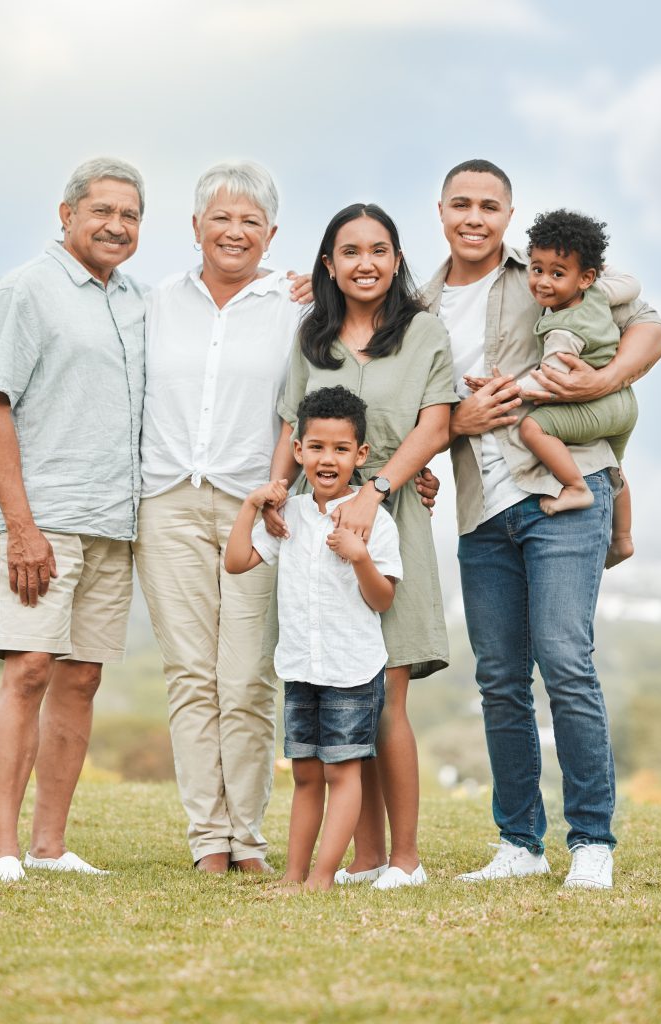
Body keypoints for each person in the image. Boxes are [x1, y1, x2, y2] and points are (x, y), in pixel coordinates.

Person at [423, 159, 661, 889]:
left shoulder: (545, 271)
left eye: (488, 205)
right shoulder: (419, 301)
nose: (473, 216)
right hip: (482, 510)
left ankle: (590, 839)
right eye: (460, 203)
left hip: (566, 489)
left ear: (506, 214)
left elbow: (650, 328)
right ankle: (518, 844)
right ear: (440, 212)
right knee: (499, 679)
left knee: (565, 660)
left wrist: (604, 378)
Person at [268, 203, 455, 889]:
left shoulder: (423, 332)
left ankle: (403, 857)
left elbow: (434, 426)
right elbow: (292, 426)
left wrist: (374, 491)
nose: (365, 263)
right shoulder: (310, 336)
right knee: (345, 689)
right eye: (350, 251)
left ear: (398, 260)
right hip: (316, 532)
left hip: (389, 518)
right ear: (328, 265)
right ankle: (366, 856)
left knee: (388, 692)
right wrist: (272, 495)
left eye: (379, 250)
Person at [131, 161, 308, 874]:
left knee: (245, 678)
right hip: (166, 502)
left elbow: (302, 407)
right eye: (221, 218)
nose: (235, 232)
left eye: (250, 221)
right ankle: (209, 839)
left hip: (255, 508)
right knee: (190, 676)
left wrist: (276, 483)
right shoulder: (154, 302)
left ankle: (248, 837)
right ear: (196, 226)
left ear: (271, 234)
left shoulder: (295, 308)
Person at [0, 157, 146, 882]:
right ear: (66, 214)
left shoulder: (135, 298)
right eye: (101, 211)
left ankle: (50, 845)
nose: (116, 225)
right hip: (44, 521)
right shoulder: (26, 290)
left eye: (130, 216)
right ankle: (4, 849)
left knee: (80, 680)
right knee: (29, 671)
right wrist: (21, 526)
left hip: (115, 520)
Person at [226, 386, 402, 891]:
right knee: (305, 775)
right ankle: (294, 874)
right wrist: (251, 506)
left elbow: (382, 600)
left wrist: (360, 556)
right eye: (317, 447)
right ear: (298, 450)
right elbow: (236, 562)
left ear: (360, 455)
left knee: (343, 774)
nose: (328, 459)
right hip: (301, 666)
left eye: (341, 449)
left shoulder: (374, 523)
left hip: (351, 669)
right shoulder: (291, 517)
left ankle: (322, 876)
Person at [464, 208, 640, 567]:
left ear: (584, 277)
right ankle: (622, 539)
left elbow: (549, 380)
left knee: (533, 427)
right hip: (622, 403)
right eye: (537, 269)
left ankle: (575, 488)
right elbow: (632, 284)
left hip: (598, 405)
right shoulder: (600, 292)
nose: (543, 282)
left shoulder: (563, 330)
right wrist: (597, 270)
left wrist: (505, 388)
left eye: (557, 274)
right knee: (615, 465)